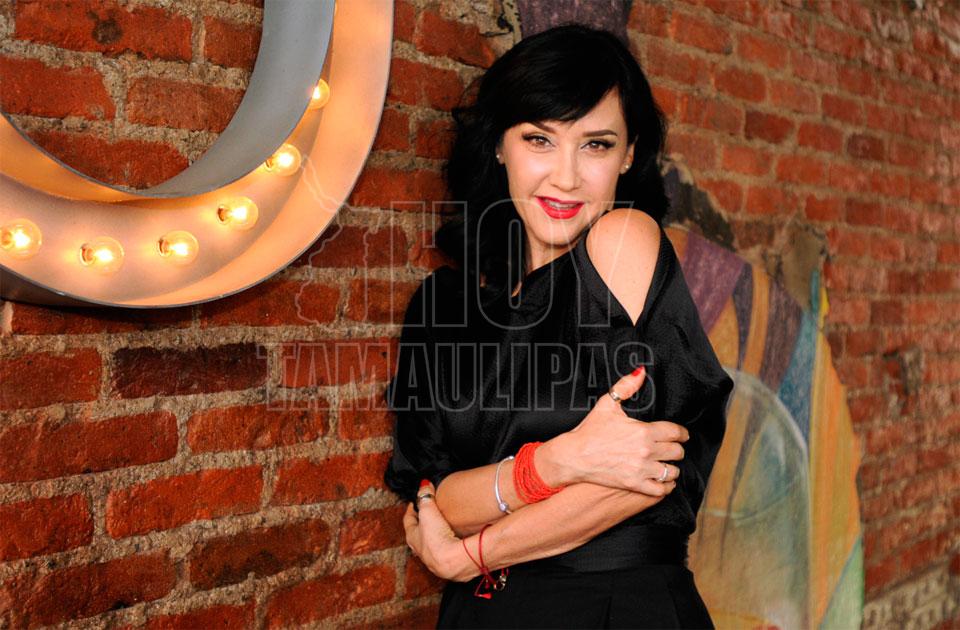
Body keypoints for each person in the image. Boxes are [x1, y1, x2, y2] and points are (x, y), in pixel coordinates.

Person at [383, 23, 735, 629]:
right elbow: (435, 500)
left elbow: (645, 473)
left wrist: (471, 554)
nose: (566, 177)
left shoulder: (622, 241)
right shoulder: (444, 304)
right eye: (539, 139)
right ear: (500, 145)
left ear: (629, 155)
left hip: (616, 609)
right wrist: (555, 464)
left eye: (596, 145)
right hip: (479, 617)